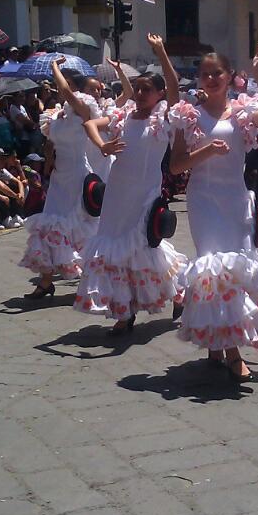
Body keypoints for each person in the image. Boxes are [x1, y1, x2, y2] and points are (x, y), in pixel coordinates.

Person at [168, 45, 258, 382]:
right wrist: (204, 151)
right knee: (215, 266)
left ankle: (217, 342)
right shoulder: (188, 115)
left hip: (234, 200)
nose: (211, 78)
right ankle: (233, 352)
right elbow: (176, 166)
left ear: (230, 76)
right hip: (204, 200)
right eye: (205, 73)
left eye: (217, 72)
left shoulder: (243, 112)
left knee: (237, 268)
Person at [75, 36, 186, 334]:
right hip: (117, 194)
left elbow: (174, 88)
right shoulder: (123, 115)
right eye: (137, 88)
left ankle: (178, 293)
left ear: (160, 94)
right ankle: (124, 311)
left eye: (146, 89)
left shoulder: (165, 116)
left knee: (145, 247)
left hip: (145, 194)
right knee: (113, 248)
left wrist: (161, 51)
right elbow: (89, 125)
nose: (139, 93)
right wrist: (103, 146)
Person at [18, 58, 100, 298]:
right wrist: (48, 162)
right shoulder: (58, 113)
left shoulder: (86, 107)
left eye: (63, 82)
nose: (58, 87)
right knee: (50, 223)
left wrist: (54, 67)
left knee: (77, 225)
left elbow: (65, 90)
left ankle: (90, 276)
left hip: (77, 174)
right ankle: (45, 281)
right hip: (59, 175)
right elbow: (50, 143)